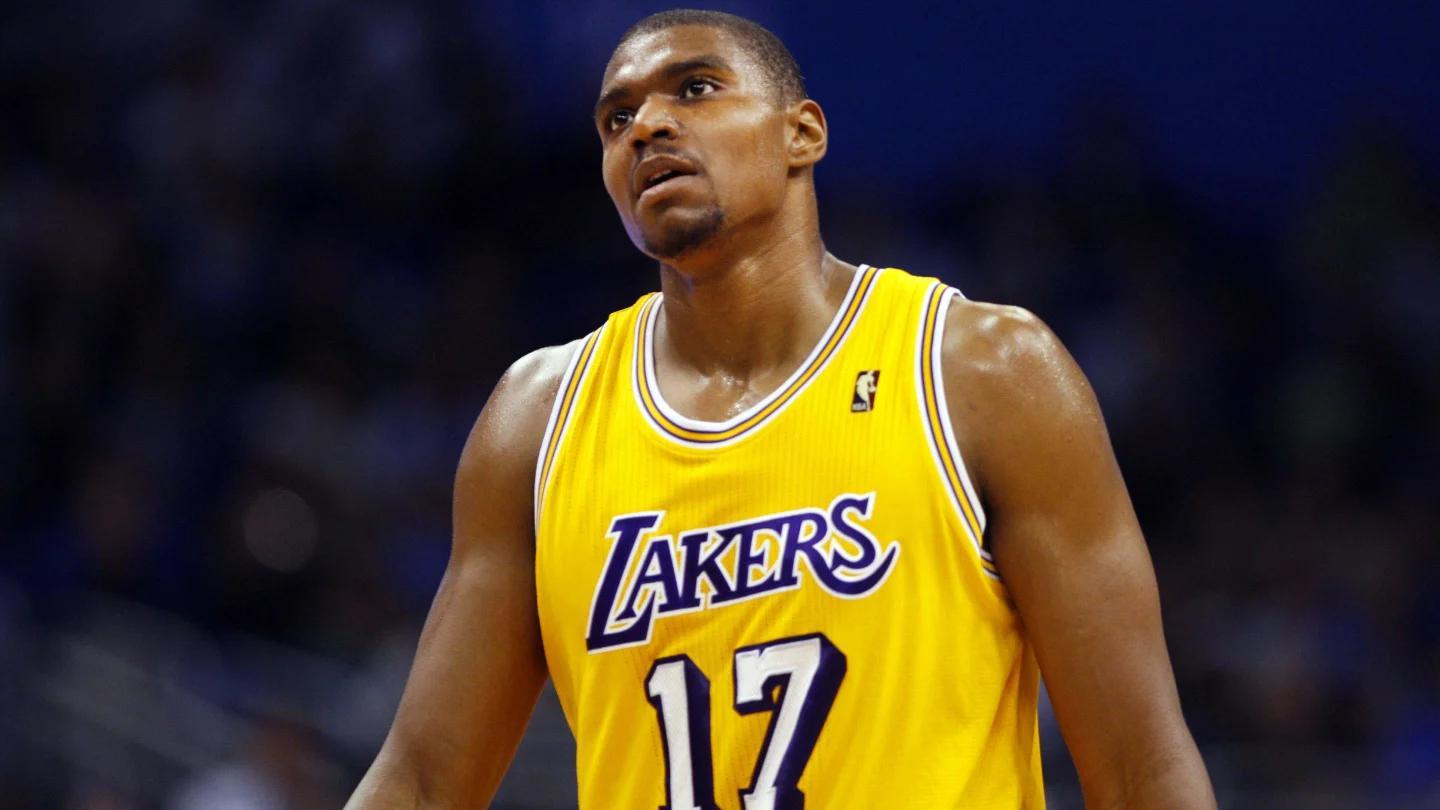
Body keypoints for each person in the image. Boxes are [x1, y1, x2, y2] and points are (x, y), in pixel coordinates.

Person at [347, 9, 1216, 809]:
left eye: (695, 88)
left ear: (803, 133)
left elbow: (1138, 764)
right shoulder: (537, 420)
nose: (646, 127)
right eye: (616, 119)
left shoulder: (982, 372)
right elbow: (422, 778)